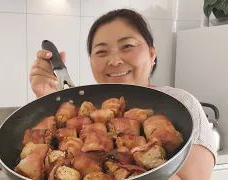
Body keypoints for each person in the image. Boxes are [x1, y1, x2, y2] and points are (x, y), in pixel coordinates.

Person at [29, 8, 216, 180]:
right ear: (91, 62)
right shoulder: (83, 111)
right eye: (102, 51)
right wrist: (48, 99)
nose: (115, 60)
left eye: (127, 46)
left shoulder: (181, 102)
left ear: (152, 53)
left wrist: (133, 165)